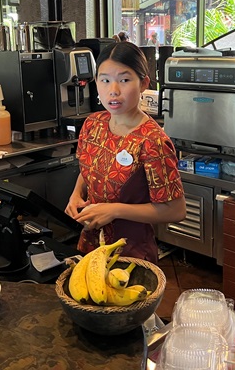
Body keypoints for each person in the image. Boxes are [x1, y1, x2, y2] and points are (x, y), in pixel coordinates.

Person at [65, 41, 186, 262]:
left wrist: (115, 210)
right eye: (105, 80)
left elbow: (176, 210)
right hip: (90, 246)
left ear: (143, 83)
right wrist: (76, 195)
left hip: (130, 254)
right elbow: (89, 168)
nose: (113, 90)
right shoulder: (93, 124)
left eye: (124, 80)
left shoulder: (153, 141)